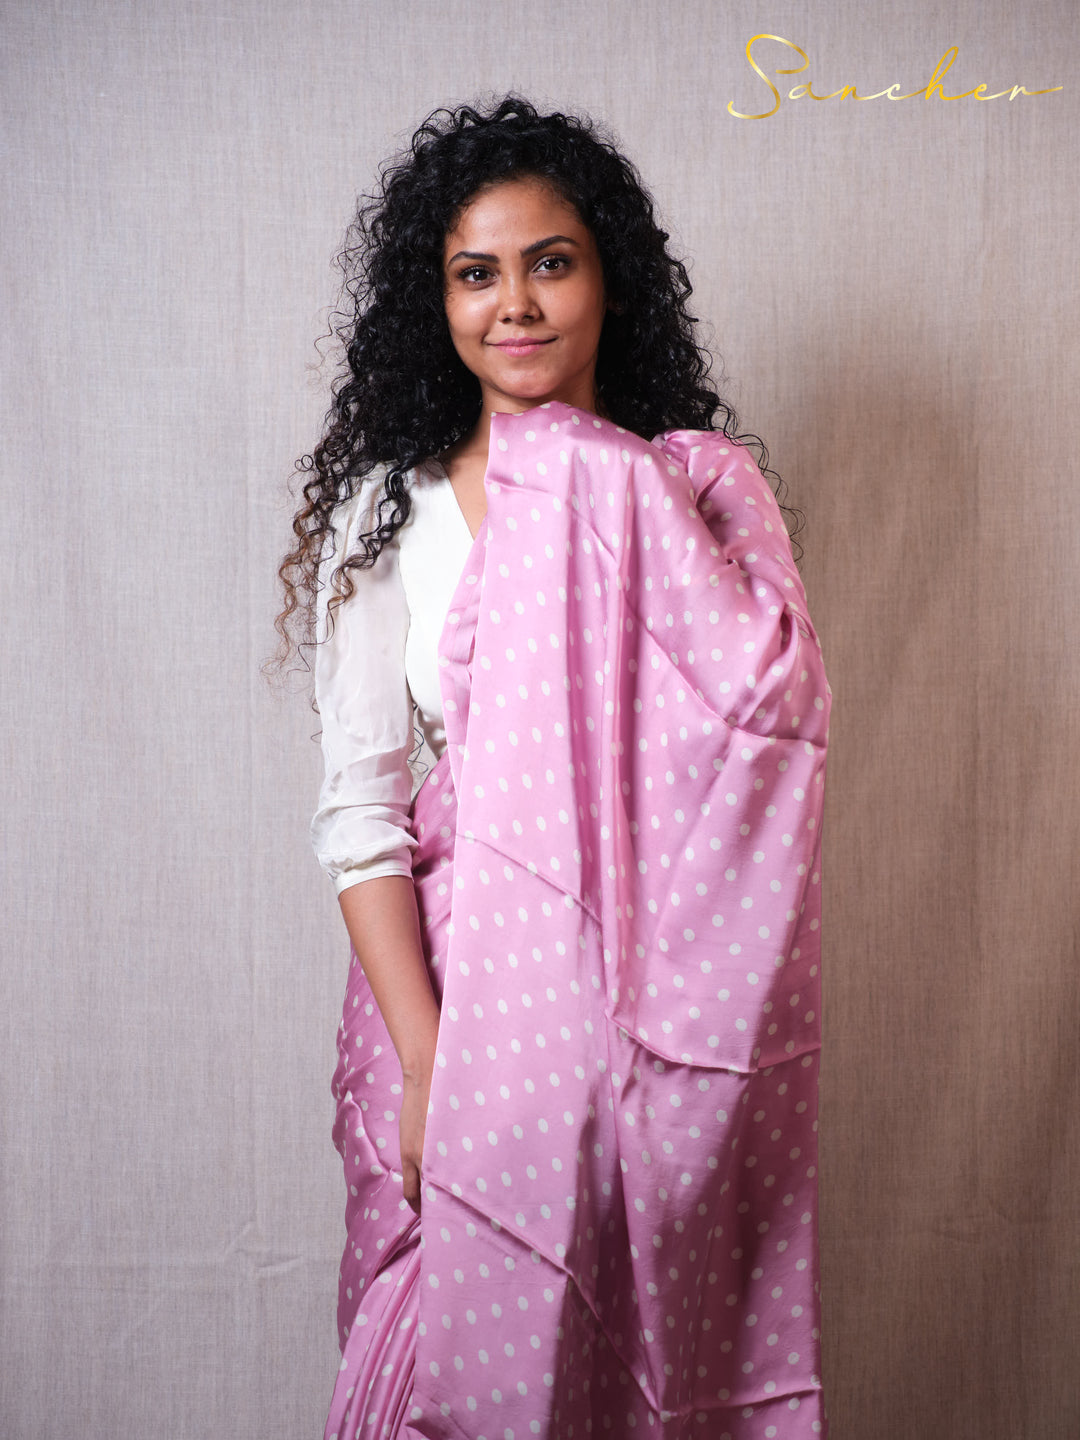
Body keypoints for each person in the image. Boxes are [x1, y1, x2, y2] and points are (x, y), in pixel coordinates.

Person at [278, 96, 829, 1440]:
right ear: (438, 300)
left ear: (608, 280)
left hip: (656, 1006)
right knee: (450, 1375)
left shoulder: (685, 495)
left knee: (642, 1372)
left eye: (550, 261)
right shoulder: (389, 511)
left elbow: (767, 729)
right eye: (476, 272)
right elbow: (363, 816)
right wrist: (427, 1064)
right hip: (464, 996)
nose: (513, 303)